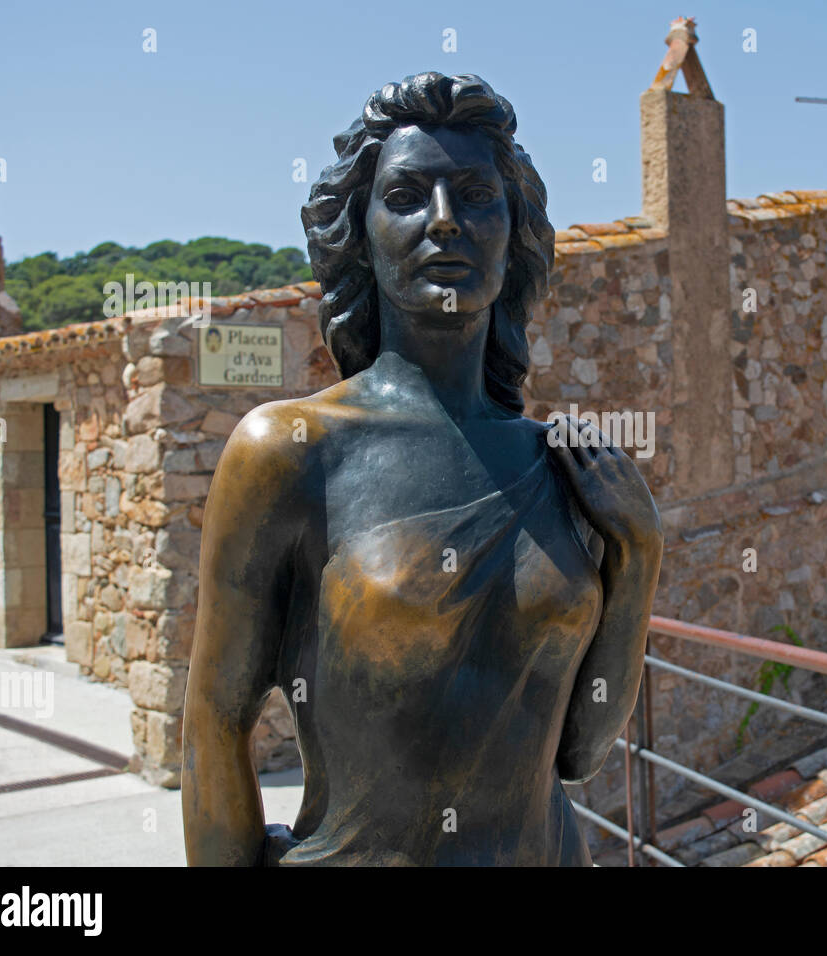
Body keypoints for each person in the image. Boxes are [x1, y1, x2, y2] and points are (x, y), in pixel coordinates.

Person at [181, 72, 663, 866]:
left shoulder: (561, 464)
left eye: (476, 196)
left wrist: (639, 555)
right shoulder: (289, 450)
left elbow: (581, 754)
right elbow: (215, 721)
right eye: (407, 196)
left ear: (514, 232)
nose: (446, 223)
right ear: (362, 235)